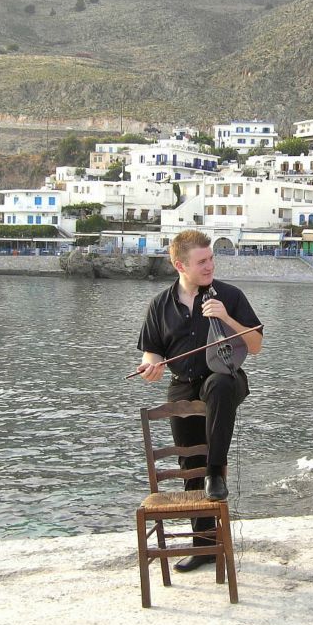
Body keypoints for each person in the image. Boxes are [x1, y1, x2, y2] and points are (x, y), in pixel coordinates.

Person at [136, 230, 263, 572]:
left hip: (224, 376)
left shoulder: (230, 296)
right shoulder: (160, 304)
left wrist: (225, 317)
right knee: (188, 466)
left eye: (211, 259)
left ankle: (215, 473)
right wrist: (150, 366)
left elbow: (255, 345)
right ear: (180, 265)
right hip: (181, 384)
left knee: (221, 385)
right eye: (202, 261)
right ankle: (205, 546)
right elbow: (153, 351)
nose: (210, 266)